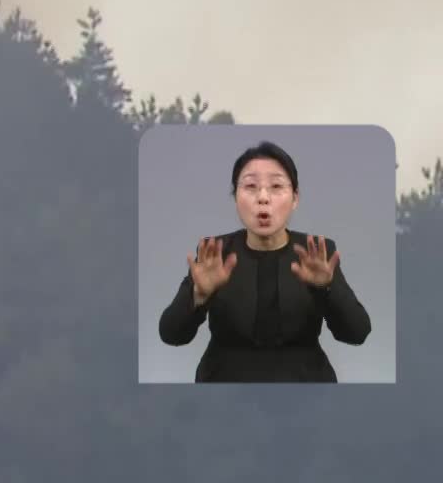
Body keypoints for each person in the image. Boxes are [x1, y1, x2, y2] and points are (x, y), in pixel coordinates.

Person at [157, 141, 371, 381]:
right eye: (250, 186)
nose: (263, 197)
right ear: (235, 197)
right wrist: (199, 296)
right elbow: (171, 334)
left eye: (277, 186)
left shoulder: (317, 253)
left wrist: (326, 289)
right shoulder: (215, 253)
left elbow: (357, 333)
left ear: (295, 198)